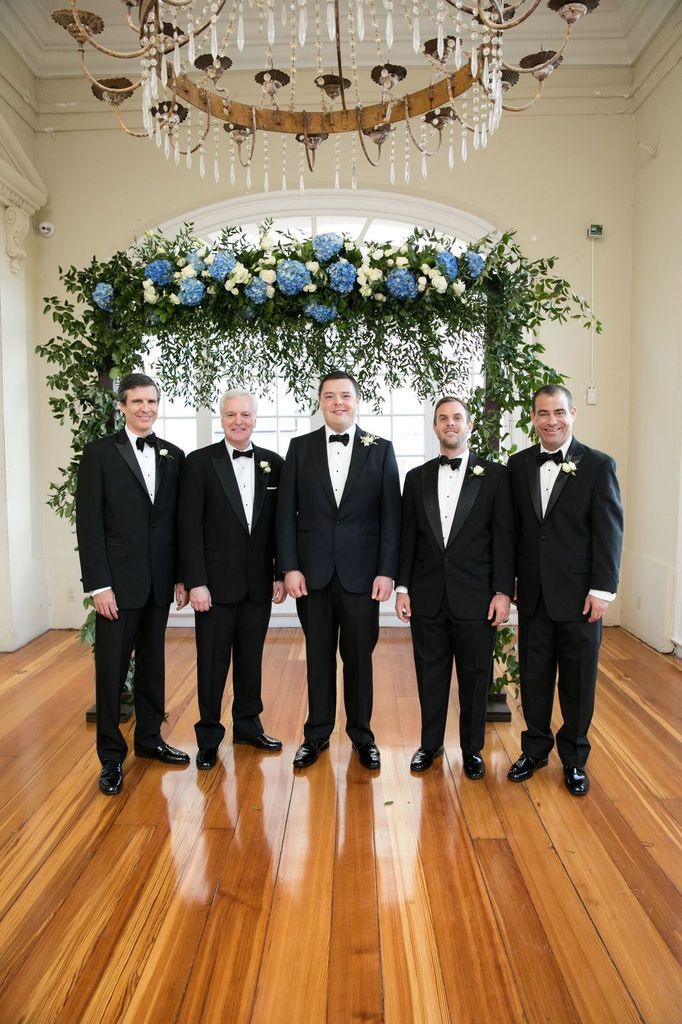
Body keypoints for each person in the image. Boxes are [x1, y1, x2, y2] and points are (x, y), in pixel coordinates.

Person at [277, 370, 401, 770]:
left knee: (359, 660)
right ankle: (316, 735)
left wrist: (387, 571)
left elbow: (391, 518)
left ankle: (363, 736)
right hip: (311, 575)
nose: (337, 403)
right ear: (320, 401)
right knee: (317, 657)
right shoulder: (299, 449)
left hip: (363, 577)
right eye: (329, 396)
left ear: (358, 400)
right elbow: (285, 515)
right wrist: (289, 567)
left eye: (345, 396)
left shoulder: (381, 450)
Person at [75, 372, 189, 796]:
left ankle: (150, 740)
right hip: (116, 587)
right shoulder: (99, 454)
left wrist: (180, 576)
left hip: (159, 582)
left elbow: (176, 524)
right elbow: (89, 525)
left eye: (152, 402)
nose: (145, 409)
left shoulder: (173, 455)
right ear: (120, 406)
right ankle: (110, 757)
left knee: (154, 666)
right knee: (111, 671)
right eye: (137, 402)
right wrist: (99, 585)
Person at [507, 384, 624, 796]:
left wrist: (602, 590)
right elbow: (514, 532)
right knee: (535, 677)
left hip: (580, 597)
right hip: (533, 594)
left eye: (558, 412)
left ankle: (574, 758)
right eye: (542, 413)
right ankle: (535, 748)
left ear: (573, 414)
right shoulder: (518, 465)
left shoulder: (597, 465)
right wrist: (511, 582)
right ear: (533, 417)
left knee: (577, 681)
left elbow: (609, 532)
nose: (551, 420)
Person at [396, 396, 514, 777]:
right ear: (435, 426)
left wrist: (502, 591)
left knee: (476, 676)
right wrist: (402, 588)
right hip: (427, 594)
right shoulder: (416, 478)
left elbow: (504, 538)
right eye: (443, 418)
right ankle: (429, 746)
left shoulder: (495, 476)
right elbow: (407, 539)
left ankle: (472, 749)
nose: (450, 424)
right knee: (429, 675)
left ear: (470, 425)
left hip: (477, 597)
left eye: (457, 418)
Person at [178, 389, 285, 770]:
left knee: (251, 659)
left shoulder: (274, 463)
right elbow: (188, 528)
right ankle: (208, 736)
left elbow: (279, 527)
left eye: (245, 414)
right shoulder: (199, 463)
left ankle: (248, 726)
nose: (238, 421)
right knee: (211, 663)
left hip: (257, 584)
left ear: (256, 419)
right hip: (213, 587)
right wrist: (196, 582)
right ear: (221, 420)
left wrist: (279, 573)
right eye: (230, 415)